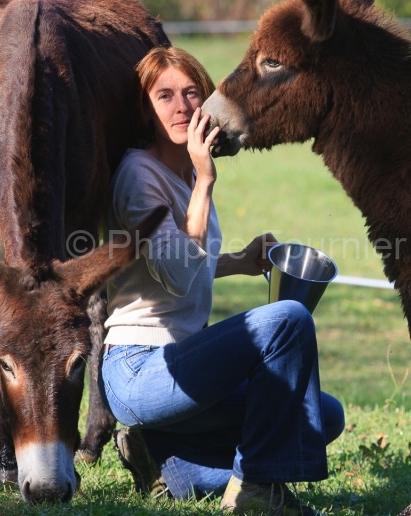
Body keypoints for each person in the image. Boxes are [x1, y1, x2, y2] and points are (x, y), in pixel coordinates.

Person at [100, 46, 345, 515]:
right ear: (145, 108)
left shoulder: (187, 170)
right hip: (141, 371)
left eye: (193, 93)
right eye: (165, 95)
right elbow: (175, 274)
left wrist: (240, 261)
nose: (182, 107)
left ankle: (166, 459)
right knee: (288, 319)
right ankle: (256, 485)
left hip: (186, 373)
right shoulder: (138, 174)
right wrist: (206, 182)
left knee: (321, 415)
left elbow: (184, 262)